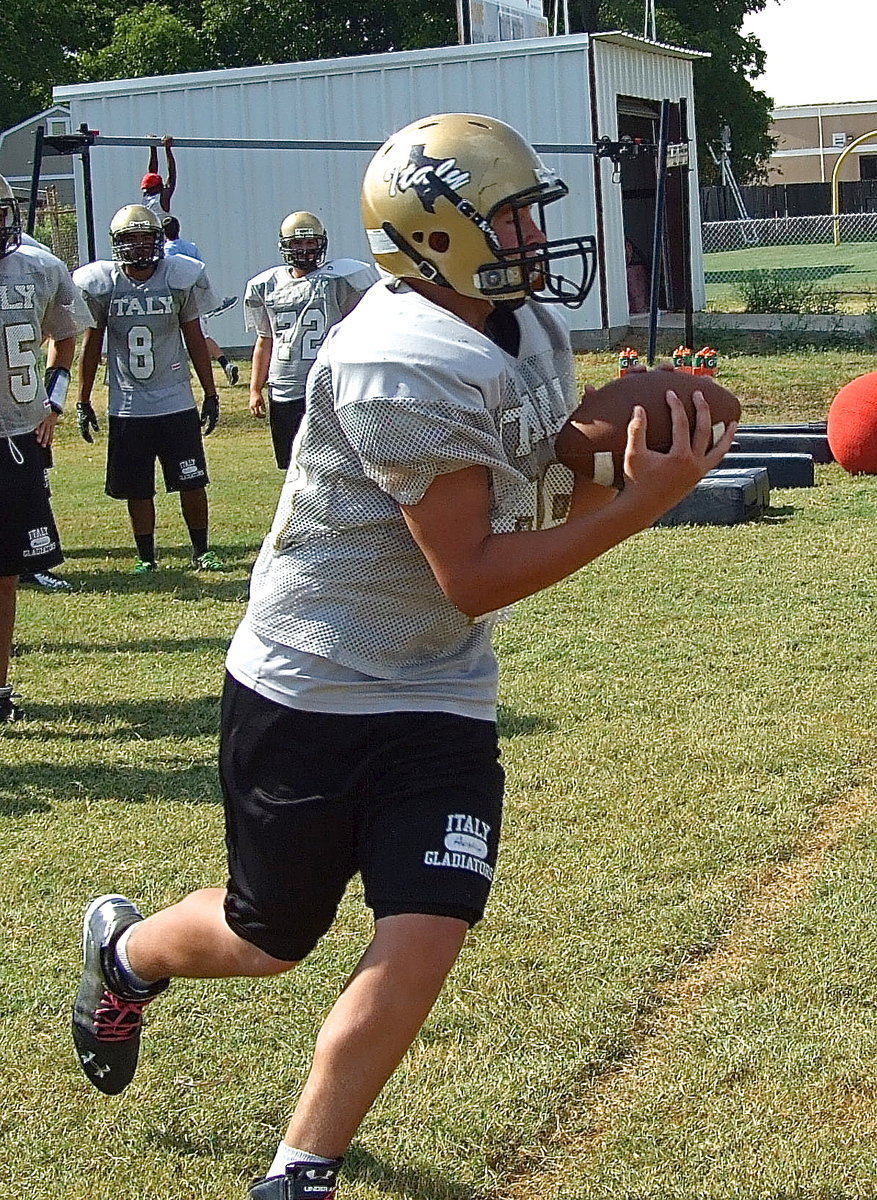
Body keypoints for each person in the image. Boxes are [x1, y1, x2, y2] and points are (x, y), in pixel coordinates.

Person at [69, 114, 737, 1198]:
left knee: (427, 925)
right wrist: (643, 505)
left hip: (440, 689)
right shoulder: (396, 362)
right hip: (315, 684)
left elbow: (546, 445)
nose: (531, 234)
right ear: (435, 236)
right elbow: (469, 571)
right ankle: (129, 956)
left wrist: (627, 435)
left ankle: (300, 1171)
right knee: (268, 936)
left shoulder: (507, 323)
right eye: (511, 215)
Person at [72, 203, 224, 573]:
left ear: (158, 240)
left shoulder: (179, 276)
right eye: (131, 239)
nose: (140, 246)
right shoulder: (104, 284)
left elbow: (194, 337)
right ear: (117, 244)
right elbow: (92, 346)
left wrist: (211, 391)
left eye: (146, 237)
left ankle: (201, 550)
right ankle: (146, 556)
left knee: (191, 479)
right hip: (128, 403)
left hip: (174, 398)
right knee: (138, 488)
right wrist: (82, 399)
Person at [0, 175, 89, 720]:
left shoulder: (41, 267)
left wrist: (55, 400)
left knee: (6, 571)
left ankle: (0, 688)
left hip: (14, 432)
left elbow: (67, 335)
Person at [244, 211, 377, 468]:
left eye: (310, 242)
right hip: (285, 385)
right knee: (293, 465)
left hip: (330, 384)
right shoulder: (266, 284)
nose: (304, 249)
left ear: (321, 243)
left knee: (336, 461)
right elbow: (265, 340)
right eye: (296, 243)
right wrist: (254, 388)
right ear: (285, 245)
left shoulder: (340, 279)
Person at [162, 216, 240, 386]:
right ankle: (225, 364)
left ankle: (177, 373)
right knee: (201, 335)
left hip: (178, 299)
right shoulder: (191, 247)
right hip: (195, 295)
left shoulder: (165, 252)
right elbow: (200, 269)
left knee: (173, 336)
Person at [141, 135, 176, 217]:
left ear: (159, 187)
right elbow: (152, 173)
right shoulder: (147, 194)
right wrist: (153, 147)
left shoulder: (163, 197)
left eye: (150, 189)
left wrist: (168, 149)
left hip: (161, 229)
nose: (147, 191)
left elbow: (172, 174)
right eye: (146, 189)